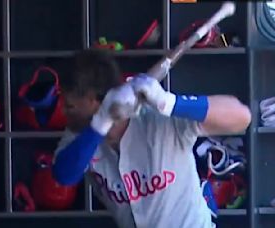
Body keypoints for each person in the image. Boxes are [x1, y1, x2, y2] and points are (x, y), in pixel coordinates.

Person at [51, 49, 251, 228]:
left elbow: (242, 117)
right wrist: (100, 124)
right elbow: (64, 176)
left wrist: (169, 103)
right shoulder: (79, 135)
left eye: (70, 106)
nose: (63, 110)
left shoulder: (159, 118)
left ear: (95, 101)